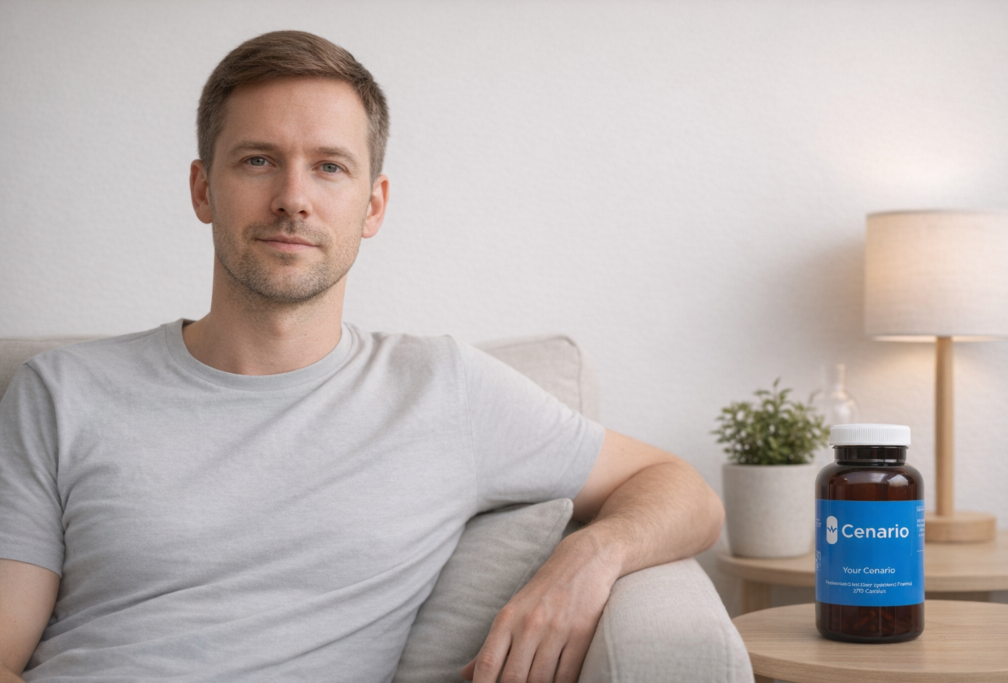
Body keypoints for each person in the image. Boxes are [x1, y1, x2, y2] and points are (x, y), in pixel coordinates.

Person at [0, 31, 724, 683]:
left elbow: (683, 488)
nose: (293, 198)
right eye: (258, 161)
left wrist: (588, 557)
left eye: (329, 167)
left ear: (373, 206)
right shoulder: (61, 392)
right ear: (202, 189)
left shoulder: (444, 390)